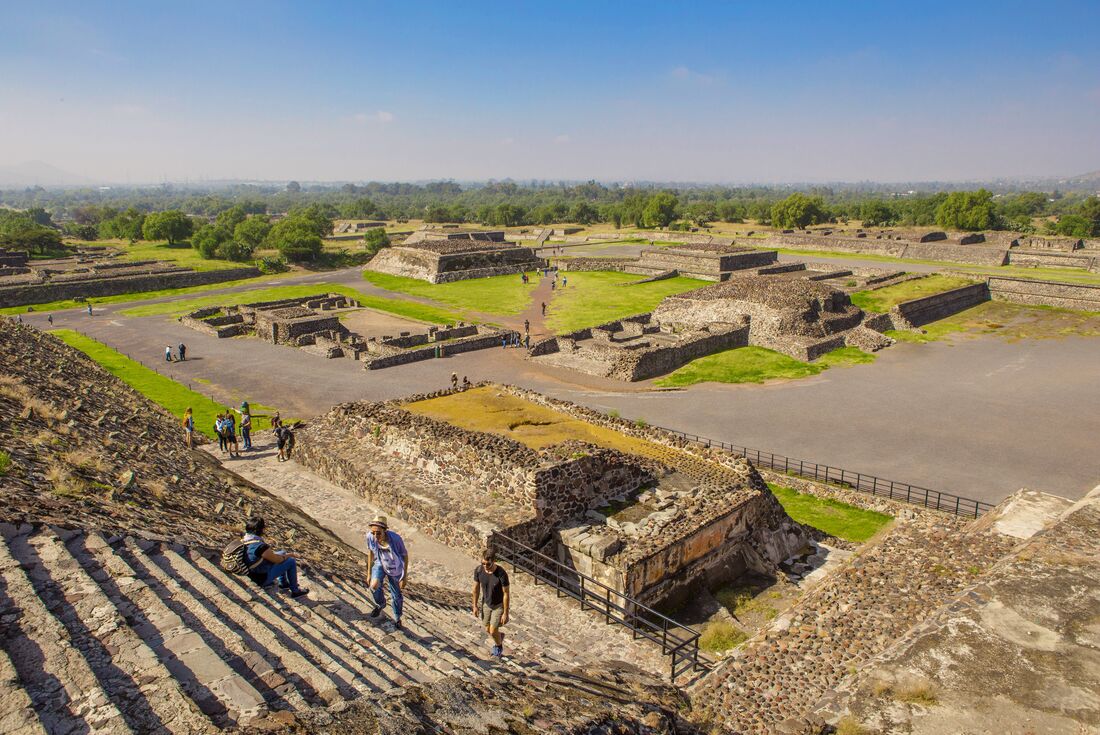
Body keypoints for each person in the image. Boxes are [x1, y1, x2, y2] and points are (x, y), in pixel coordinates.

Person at [242, 517, 309, 598]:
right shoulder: (260, 547)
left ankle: (283, 583)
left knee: (282, 552)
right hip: (260, 578)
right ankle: (295, 591)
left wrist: (284, 554)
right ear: (261, 529)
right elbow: (278, 560)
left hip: (253, 570)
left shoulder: (245, 539)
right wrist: (290, 554)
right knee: (290, 561)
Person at [366, 516, 408, 628]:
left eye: (378, 533)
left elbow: (405, 555)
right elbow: (370, 553)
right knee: (373, 586)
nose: (375, 536)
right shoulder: (370, 537)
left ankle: (397, 617)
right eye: (373, 532)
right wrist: (369, 573)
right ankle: (381, 604)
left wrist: (404, 576)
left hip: (395, 567)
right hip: (380, 563)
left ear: (385, 531)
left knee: (396, 595)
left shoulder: (395, 539)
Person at [472, 548, 510, 657]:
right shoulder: (479, 570)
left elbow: (506, 593)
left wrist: (505, 613)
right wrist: (474, 605)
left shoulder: (501, 574)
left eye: (487, 564)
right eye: (483, 563)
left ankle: (498, 646)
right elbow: (475, 589)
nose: (485, 566)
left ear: (493, 561)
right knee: (487, 629)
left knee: (493, 631)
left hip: (498, 605)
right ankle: (499, 636)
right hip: (486, 604)